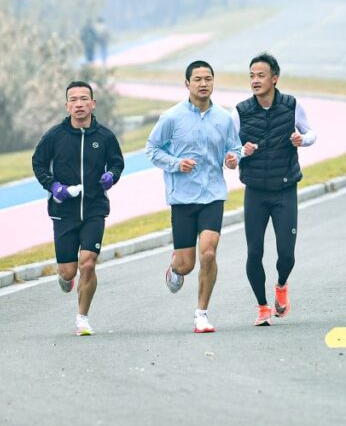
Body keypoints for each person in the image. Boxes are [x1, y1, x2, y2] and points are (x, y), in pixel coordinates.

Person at [146, 60, 244, 333]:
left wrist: (234, 158)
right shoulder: (171, 118)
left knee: (209, 253)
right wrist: (176, 163)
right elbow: (152, 149)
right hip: (183, 199)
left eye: (208, 79)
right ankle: (175, 269)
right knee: (187, 264)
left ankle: (201, 314)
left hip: (213, 195)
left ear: (213, 82)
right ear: (187, 84)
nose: (203, 84)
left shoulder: (224, 118)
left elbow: (235, 148)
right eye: (198, 79)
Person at [32, 81, 124, 336]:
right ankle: (65, 275)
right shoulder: (54, 136)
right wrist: (53, 187)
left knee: (88, 264)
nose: (79, 104)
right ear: (67, 105)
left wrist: (111, 177)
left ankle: (82, 318)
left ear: (93, 104)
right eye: (74, 100)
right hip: (64, 211)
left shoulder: (104, 136)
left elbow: (117, 163)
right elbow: (38, 164)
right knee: (69, 270)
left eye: (84, 99)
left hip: (94, 209)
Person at [232, 53, 317, 326]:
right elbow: (230, 151)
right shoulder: (241, 111)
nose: (255, 81)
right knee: (254, 252)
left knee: (286, 254)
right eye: (252, 76)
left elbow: (312, 133)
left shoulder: (292, 105)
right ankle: (262, 307)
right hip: (255, 191)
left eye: (261, 76)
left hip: (284, 189)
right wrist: (240, 153)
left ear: (274, 78)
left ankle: (281, 285)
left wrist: (301, 139)